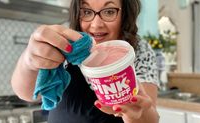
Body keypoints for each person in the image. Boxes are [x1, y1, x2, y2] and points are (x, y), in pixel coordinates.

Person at [11, 0, 160, 123]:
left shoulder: (137, 50)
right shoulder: (66, 44)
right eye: (87, 12)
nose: (96, 25)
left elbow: (149, 114)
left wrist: (138, 114)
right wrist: (29, 61)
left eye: (109, 11)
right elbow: (27, 94)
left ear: (124, 14)